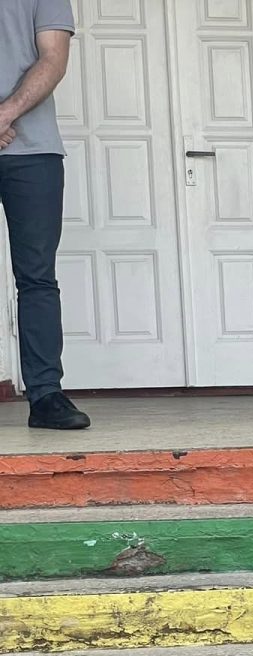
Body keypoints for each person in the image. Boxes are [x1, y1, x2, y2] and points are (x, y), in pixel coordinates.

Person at [0, 0, 86, 430]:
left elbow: (53, 58)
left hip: (34, 153)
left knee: (37, 277)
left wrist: (3, 114)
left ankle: (46, 395)